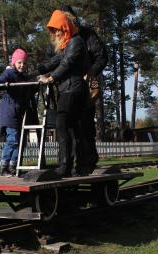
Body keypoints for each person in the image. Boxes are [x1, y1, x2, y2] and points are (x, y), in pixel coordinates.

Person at [38, 10, 88, 177]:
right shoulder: (68, 44)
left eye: (57, 29)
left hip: (73, 90)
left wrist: (51, 77)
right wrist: (39, 70)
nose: (56, 33)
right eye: (53, 31)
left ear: (65, 27)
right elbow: (56, 60)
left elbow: (66, 63)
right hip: (68, 90)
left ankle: (64, 166)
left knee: (62, 125)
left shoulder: (76, 42)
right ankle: (77, 167)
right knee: (72, 129)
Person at [61, 5, 108, 175]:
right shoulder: (61, 38)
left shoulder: (88, 35)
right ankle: (71, 164)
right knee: (70, 127)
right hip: (68, 88)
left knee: (85, 125)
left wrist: (91, 72)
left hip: (87, 86)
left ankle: (87, 162)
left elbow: (102, 57)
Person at [0, 48, 38, 176]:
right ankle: (3, 167)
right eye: (20, 62)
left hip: (19, 114)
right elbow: (1, 79)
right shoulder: (10, 73)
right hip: (9, 113)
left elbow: (31, 88)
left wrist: (39, 82)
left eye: (24, 63)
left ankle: (13, 166)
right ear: (14, 63)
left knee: (21, 142)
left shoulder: (23, 77)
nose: (22, 65)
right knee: (13, 140)